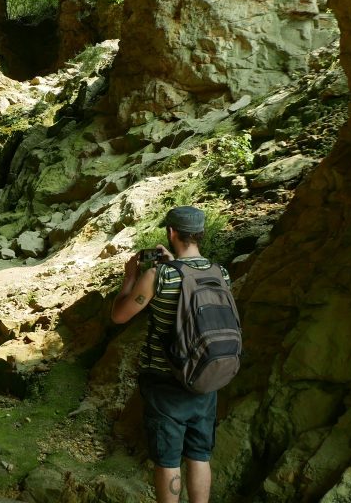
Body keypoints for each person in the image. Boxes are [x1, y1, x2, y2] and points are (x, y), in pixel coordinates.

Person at [110, 206, 230, 503]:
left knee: (168, 460)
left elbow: (119, 316)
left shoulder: (158, 275)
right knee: (200, 455)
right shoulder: (220, 273)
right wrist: (175, 263)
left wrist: (129, 278)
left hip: (165, 381)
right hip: (206, 377)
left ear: (171, 233)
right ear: (200, 234)